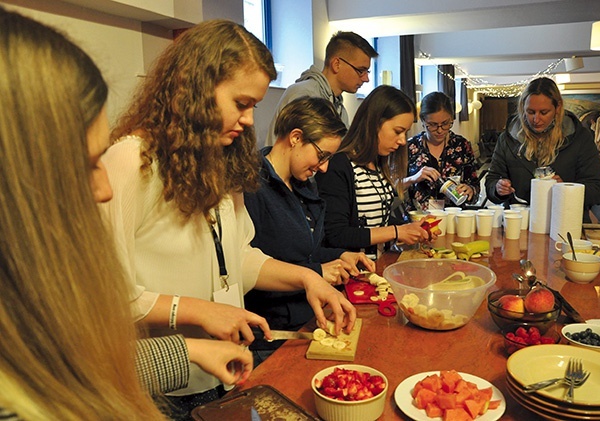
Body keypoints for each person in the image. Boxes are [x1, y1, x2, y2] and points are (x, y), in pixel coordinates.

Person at [0, 8, 253, 420]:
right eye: (85, 164)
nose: (102, 190)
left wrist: (189, 348)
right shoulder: (132, 160)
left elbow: (80, 369)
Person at [101, 19, 356, 417]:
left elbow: (236, 260)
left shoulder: (220, 162)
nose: (251, 120)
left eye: (253, 107)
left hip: (223, 372)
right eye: (241, 104)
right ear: (195, 89)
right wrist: (200, 310)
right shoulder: (131, 161)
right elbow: (108, 294)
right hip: (160, 384)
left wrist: (307, 277)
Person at [244, 97, 375, 363]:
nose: (324, 167)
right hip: (273, 337)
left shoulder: (303, 183)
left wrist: (339, 255)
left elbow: (306, 251)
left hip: (307, 322)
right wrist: (316, 273)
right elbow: (248, 269)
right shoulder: (252, 186)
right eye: (322, 155)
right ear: (295, 137)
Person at [315, 85, 435, 258]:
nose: (402, 141)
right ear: (374, 122)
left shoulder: (378, 163)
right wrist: (397, 231)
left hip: (379, 266)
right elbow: (336, 234)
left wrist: (411, 228)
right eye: (398, 131)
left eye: (406, 132)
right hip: (353, 274)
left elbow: (378, 220)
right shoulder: (339, 165)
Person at [485, 77, 600, 221]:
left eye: (544, 112)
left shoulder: (580, 138)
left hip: (566, 221)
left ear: (558, 107)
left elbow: (597, 190)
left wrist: (565, 189)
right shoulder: (508, 138)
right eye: (530, 112)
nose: (536, 119)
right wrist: (498, 189)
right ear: (522, 107)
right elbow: (492, 181)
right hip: (521, 222)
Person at [265, 31, 378, 146]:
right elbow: (298, 153)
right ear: (336, 64)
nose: (366, 79)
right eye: (361, 71)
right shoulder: (304, 94)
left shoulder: (339, 108)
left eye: (367, 72)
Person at [401, 91, 480, 211]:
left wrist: (470, 190)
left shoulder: (461, 145)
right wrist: (414, 178)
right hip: (418, 220)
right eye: (432, 125)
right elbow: (393, 188)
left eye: (445, 124)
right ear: (422, 120)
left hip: (453, 219)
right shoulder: (410, 147)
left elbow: (475, 187)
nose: (440, 130)